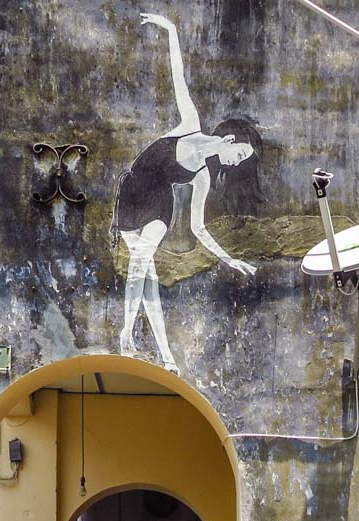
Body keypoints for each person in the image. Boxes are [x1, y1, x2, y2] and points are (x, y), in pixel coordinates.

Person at [112, 12, 260, 371]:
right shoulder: (190, 123)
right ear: (228, 140)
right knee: (147, 280)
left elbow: (198, 229)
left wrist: (230, 259)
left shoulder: (202, 177)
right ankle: (165, 355)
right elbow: (178, 77)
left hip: (158, 206)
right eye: (239, 154)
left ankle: (126, 338)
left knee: (140, 265)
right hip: (131, 192)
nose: (238, 163)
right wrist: (172, 30)